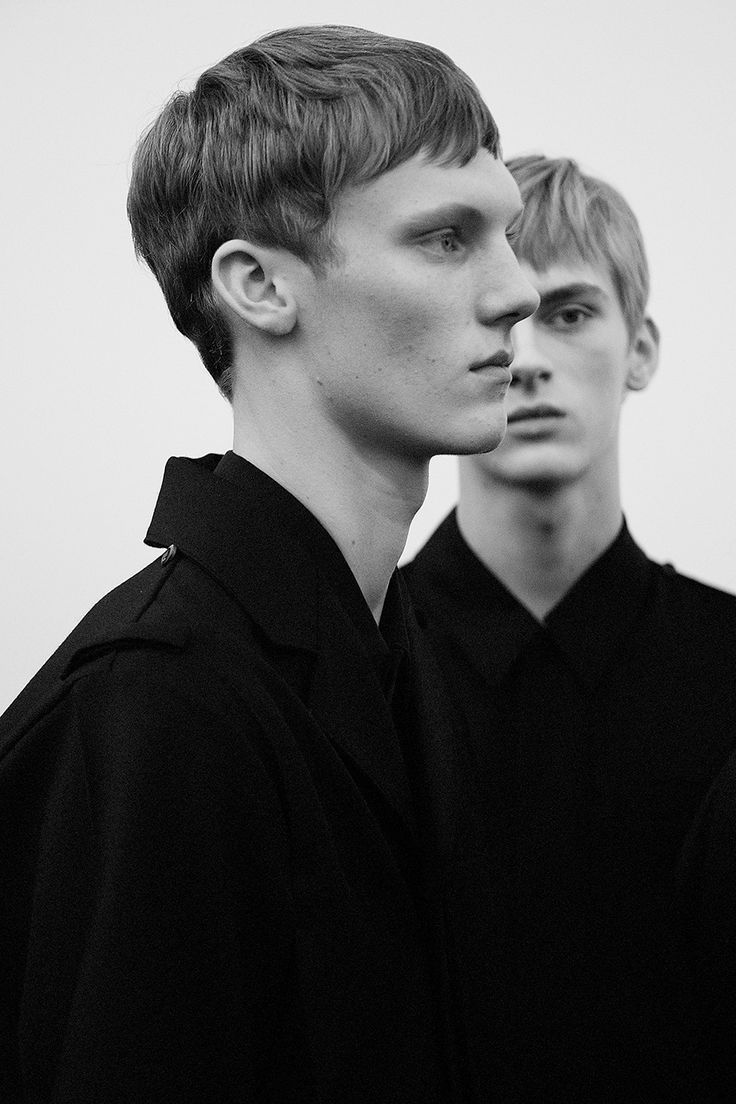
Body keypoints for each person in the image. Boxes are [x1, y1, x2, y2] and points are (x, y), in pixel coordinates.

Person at [0, 26, 537, 1104]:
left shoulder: (404, 654)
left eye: (507, 236)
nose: (517, 290)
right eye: (445, 237)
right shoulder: (157, 707)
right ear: (257, 285)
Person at [405, 154, 736, 1102]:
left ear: (641, 350)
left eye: (573, 312)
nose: (534, 355)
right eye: (505, 316)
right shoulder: (349, 666)